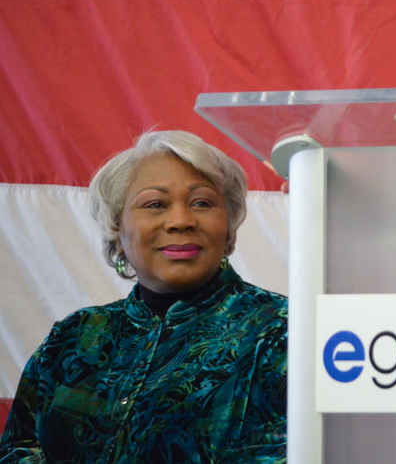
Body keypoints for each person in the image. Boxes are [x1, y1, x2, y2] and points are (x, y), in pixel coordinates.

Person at [0, 131, 287, 464]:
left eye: (202, 203)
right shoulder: (73, 338)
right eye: (155, 204)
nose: (181, 221)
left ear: (228, 229)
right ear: (116, 231)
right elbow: (16, 450)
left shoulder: (281, 333)